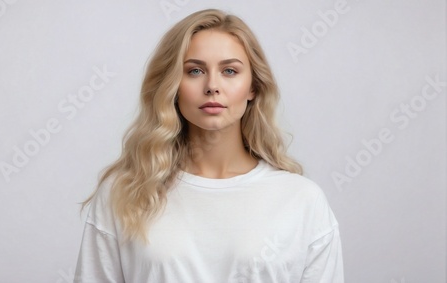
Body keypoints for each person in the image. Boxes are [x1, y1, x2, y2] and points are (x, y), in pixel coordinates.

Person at [74, 8, 344, 283]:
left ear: (253, 86)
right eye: (194, 71)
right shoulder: (124, 194)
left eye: (229, 70)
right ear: (173, 86)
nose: (212, 85)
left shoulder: (302, 200)